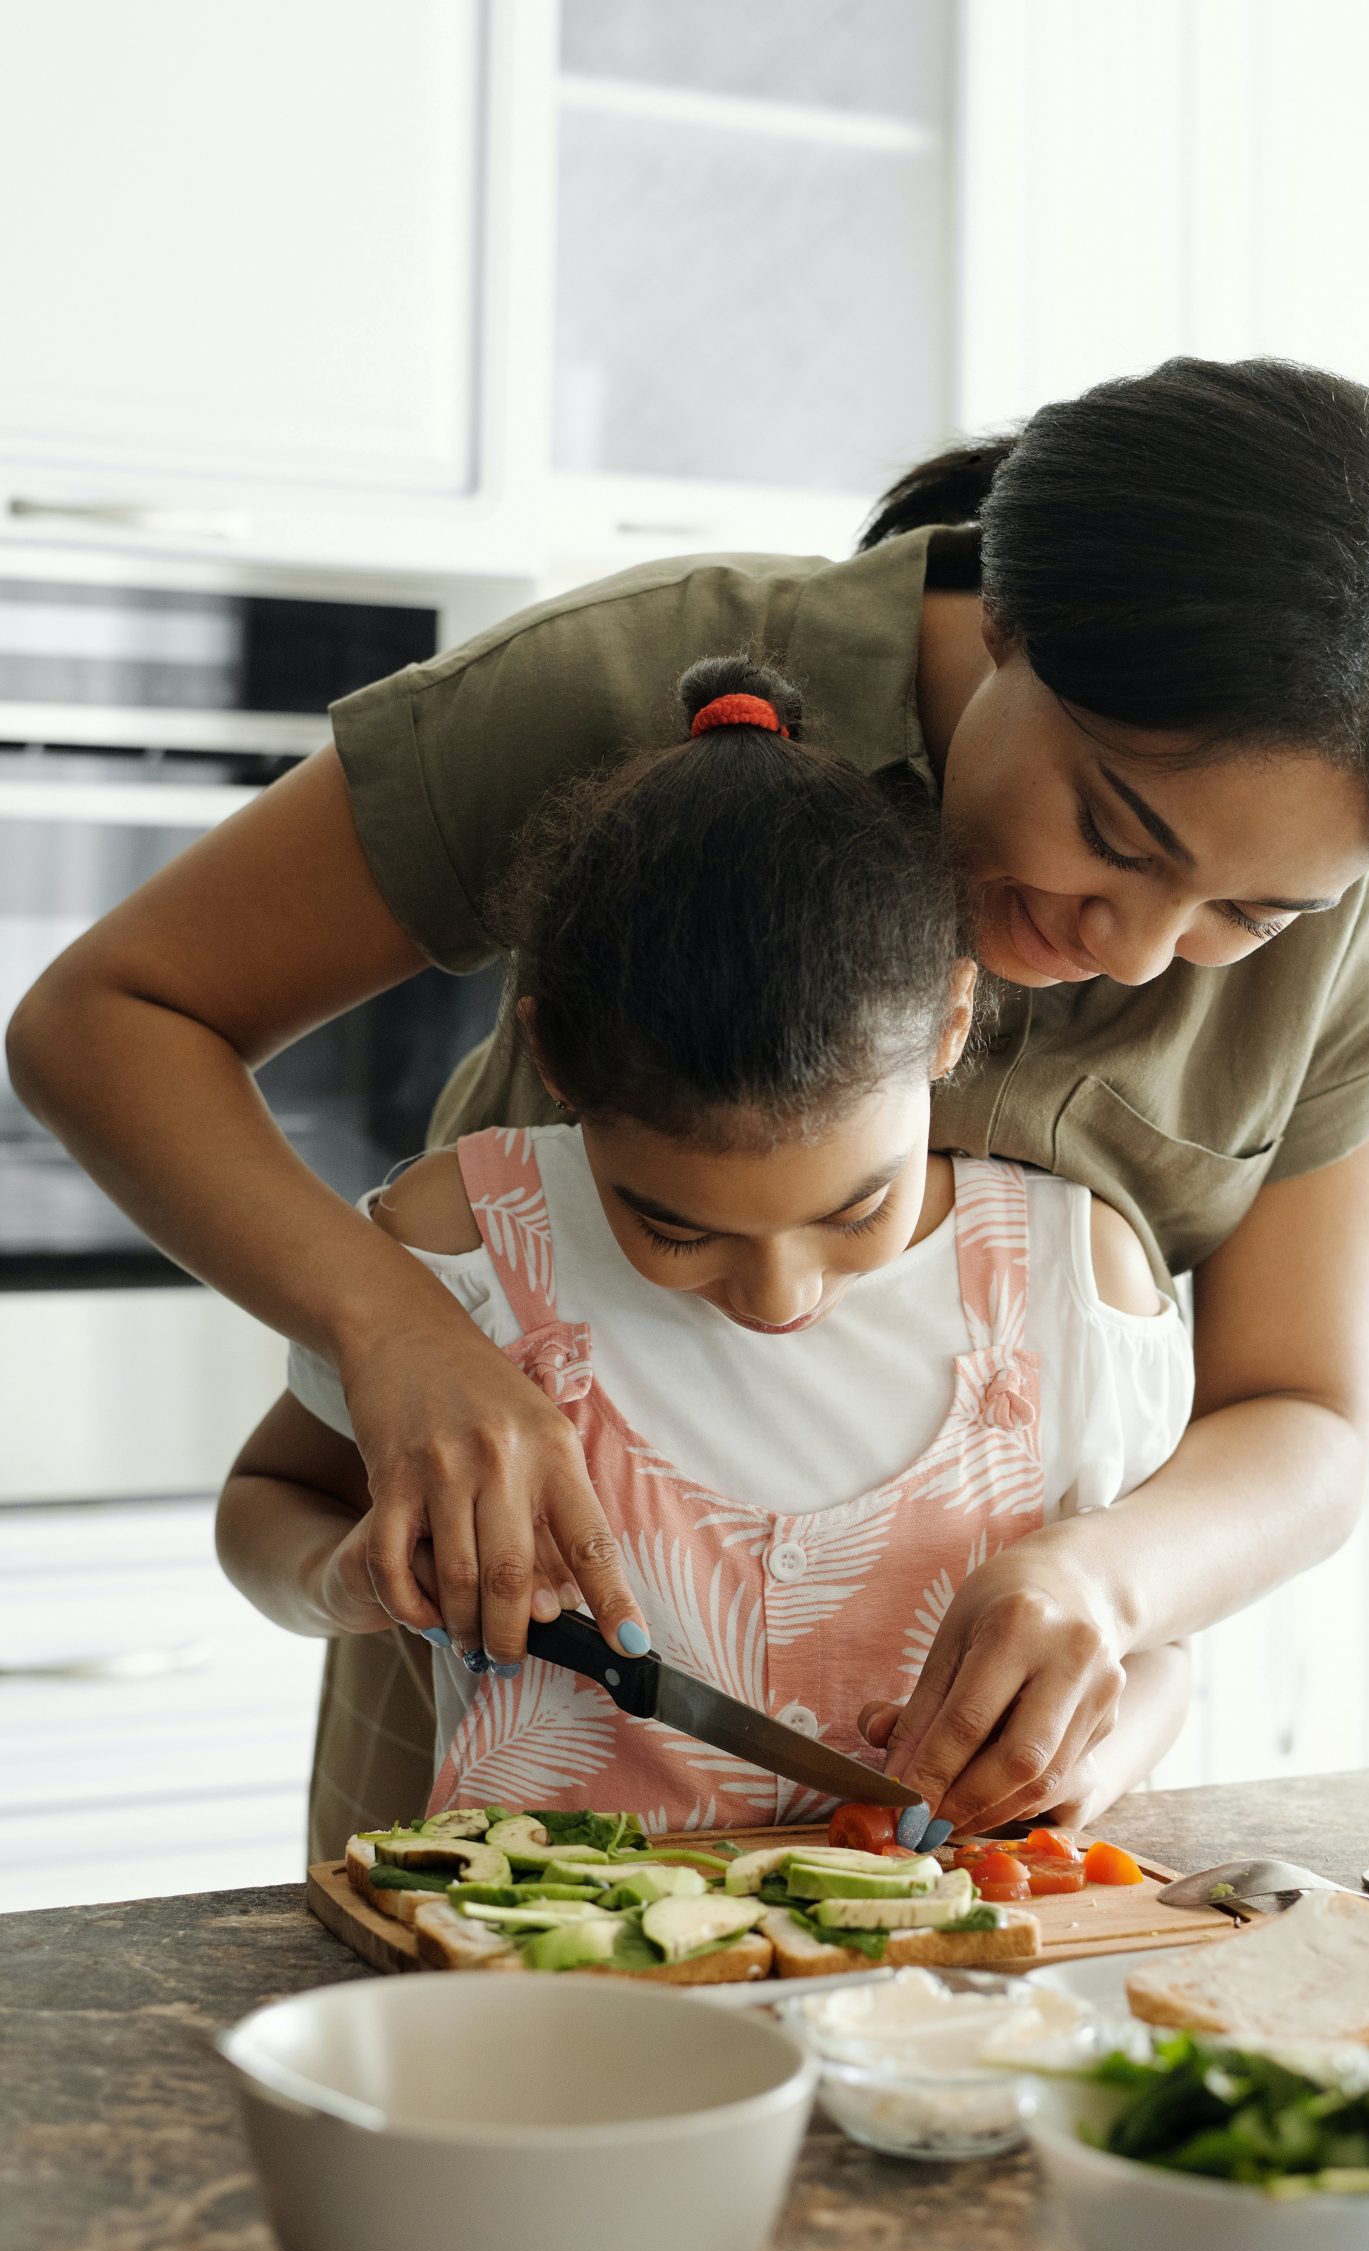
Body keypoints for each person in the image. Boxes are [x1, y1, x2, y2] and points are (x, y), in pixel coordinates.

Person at [5, 357, 1369, 1856]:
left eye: (1244, 915)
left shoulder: (1346, 908)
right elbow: (110, 1021)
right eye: (1114, 833)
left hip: (979, 1831)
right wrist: (392, 1331)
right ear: (1005, 623)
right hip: (500, 1772)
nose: (1132, 950)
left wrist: (1112, 1597)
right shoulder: (632, 681)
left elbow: (1307, 1418)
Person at [214, 659, 1194, 1832]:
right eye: (673, 1226)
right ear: (559, 1064)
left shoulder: (1072, 1285)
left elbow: (1165, 1650)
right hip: (557, 2003)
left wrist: (1087, 1765)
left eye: (852, 1212)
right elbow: (264, 1503)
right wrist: (352, 1578)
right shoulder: (466, 1247)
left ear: (950, 1019)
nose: (777, 1295)